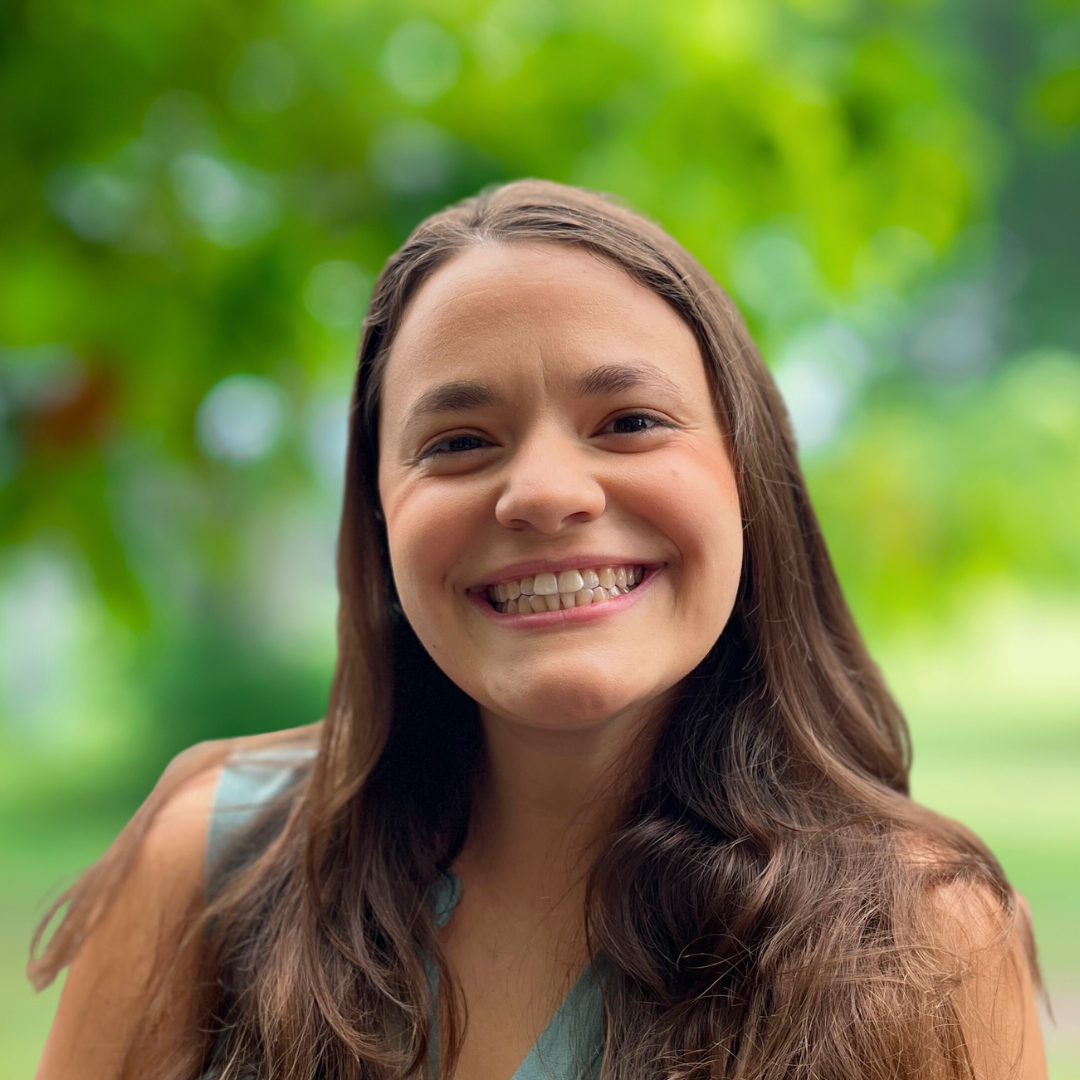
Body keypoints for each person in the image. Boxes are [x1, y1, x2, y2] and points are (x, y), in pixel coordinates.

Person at [29, 179, 1047, 1080]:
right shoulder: (214, 866)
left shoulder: (925, 940)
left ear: (747, 480)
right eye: (459, 442)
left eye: (629, 422)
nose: (547, 493)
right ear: (381, 518)